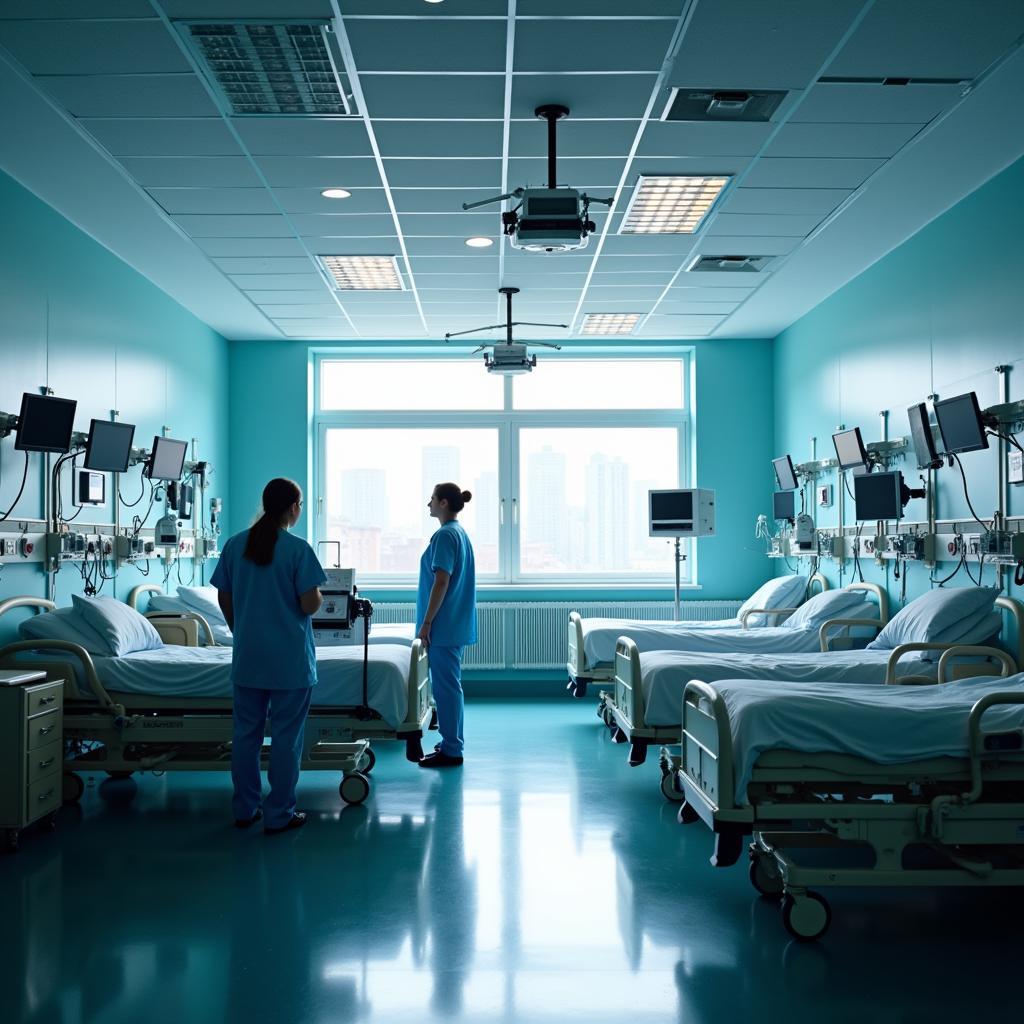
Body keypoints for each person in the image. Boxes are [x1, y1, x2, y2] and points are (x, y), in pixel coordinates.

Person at [211, 478, 327, 834]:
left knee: (245, 736)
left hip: (250, 658)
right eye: (301, 504)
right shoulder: (297, 549)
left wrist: (241, 628)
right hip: (289, 660)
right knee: (286, 737)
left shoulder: (234, 546)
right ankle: (279, 814)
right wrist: (318, 597)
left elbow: (224, 598)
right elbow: (309, 604)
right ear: (293, 507)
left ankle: (245, 808)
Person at [416, 482, 477, 768]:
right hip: (454, 623)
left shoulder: (444, 536)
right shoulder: (459, 533)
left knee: (446, 689)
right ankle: (451, 741)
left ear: (442, 503)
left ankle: (452, 749)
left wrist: (427, 623)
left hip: (444, 625)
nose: (428, 504)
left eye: (431, 499)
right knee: (450, 687)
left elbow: (441, 581)